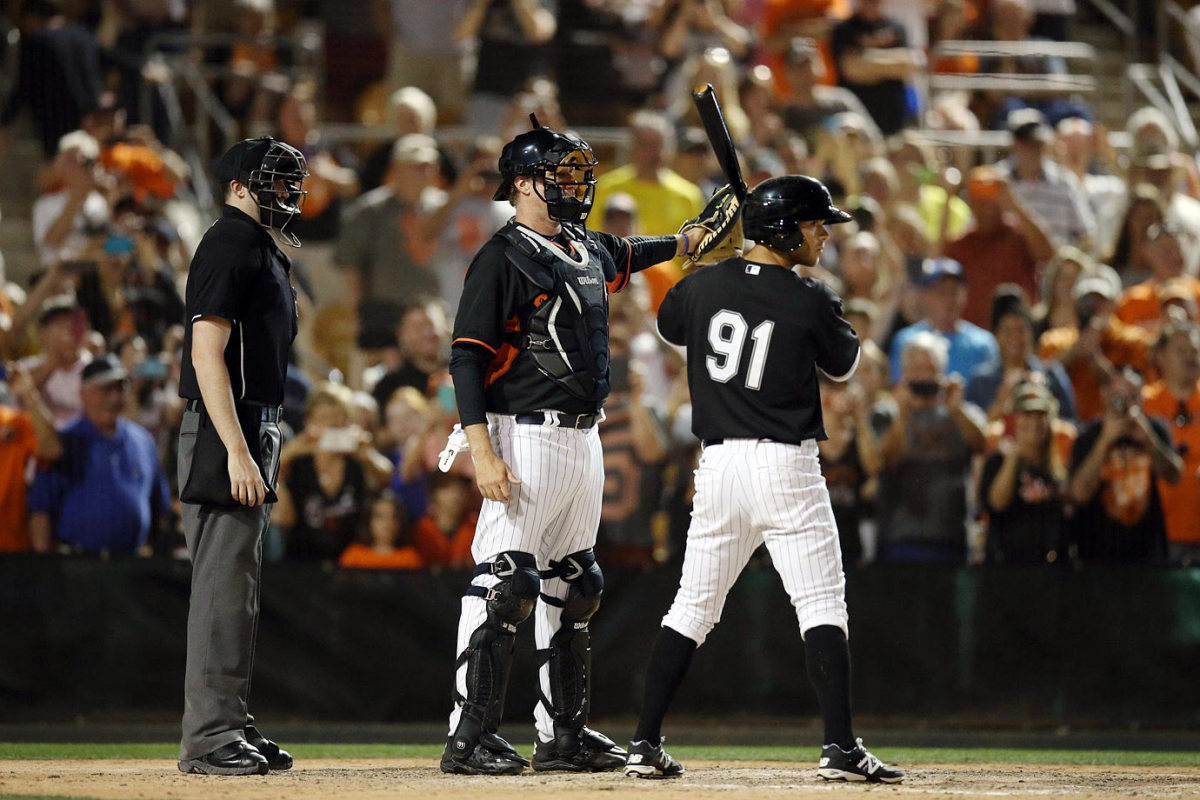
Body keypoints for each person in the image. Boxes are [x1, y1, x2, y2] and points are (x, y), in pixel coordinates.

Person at [441, 117, 707, 776]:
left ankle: (561, 735)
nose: (573, 184)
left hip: (583, 434)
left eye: (576, 173)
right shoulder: (502, 255)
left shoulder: (583, 246)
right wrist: (480, 449)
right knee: (505, 585)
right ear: (523, 183)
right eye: (559, 174)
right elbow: (467, 359)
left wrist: (683, 241)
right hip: (520, 434)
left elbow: (626, 252)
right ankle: (468, 735)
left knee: (576, 584)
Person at [625, 175, 903, 783]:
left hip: (718, 465)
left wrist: (711, 261)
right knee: (821, 602)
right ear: (782, 229)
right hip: (785, 465)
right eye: (813, 223)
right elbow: (846, 363)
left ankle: (644, 743)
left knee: (692, 607)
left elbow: (672, 323)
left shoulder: (701, 285)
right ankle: (840, 748)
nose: (824, 233)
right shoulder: (811, 296)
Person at [176, 137, 307, 776]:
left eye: (289, 181)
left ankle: (230, 719)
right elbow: (207, 352)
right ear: (237, 186)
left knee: (240, 587)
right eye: (273, 181)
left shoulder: (259, 247)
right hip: (225, 428)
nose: (285, 192)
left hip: (251, 425)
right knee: (222, 588)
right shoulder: (230, 240)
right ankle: (209, 736)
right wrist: (236, 447)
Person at [28, 354, 168, 554]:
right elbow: (40, 509)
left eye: (120, 388)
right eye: (105, 389)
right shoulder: (62, 443)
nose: (114, 397)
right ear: (82, 393)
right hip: (75, 565)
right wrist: (45, 564)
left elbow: (158, 508)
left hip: (131, 566)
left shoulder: (143, 441)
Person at [877, 331, 987, 562]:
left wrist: (957, 410)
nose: (922, 376)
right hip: (900, 539)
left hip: (951, 539)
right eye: (915, 369)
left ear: (942, 373)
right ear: (903, 374)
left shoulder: (959, 413)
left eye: (929, 368)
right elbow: (885, 461)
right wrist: (902, 415)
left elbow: (981, 444)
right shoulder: (887, 414)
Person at [1067, 368, 1179, 563]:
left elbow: (1174, 476)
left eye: (1133, 397)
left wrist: (1150, 442)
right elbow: (1079, 493)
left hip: (1148, 555)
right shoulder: (1088, 436)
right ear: (1104, 395)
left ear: (1142, 398)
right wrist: (1104, 441)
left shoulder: (1153, 429)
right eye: (1119, 398)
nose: (1126, 405)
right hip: (1097, 557)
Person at [977, 382, 1068, 563]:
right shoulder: (997, 462)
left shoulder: (1057, 470)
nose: (1034, 422)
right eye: (1026, 414)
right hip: (1005, 569)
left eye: (1040, 415)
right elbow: (997, 503)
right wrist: (1013, 456)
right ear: (1013, 420)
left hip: (1047, 570)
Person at [1140, 319, 1200, 564]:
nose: (1190, 358)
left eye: (1194, 351)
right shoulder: (1143, 404)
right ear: (1161, 356)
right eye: (1181, 350)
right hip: (1157, 533)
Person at [888, 258, 999, 384]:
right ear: (925, 296)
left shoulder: (983, 343)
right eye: (941, 292)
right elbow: (899, 387)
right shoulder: (907, 340)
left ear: (965, 295)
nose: (948, 299)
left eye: (954, 291)